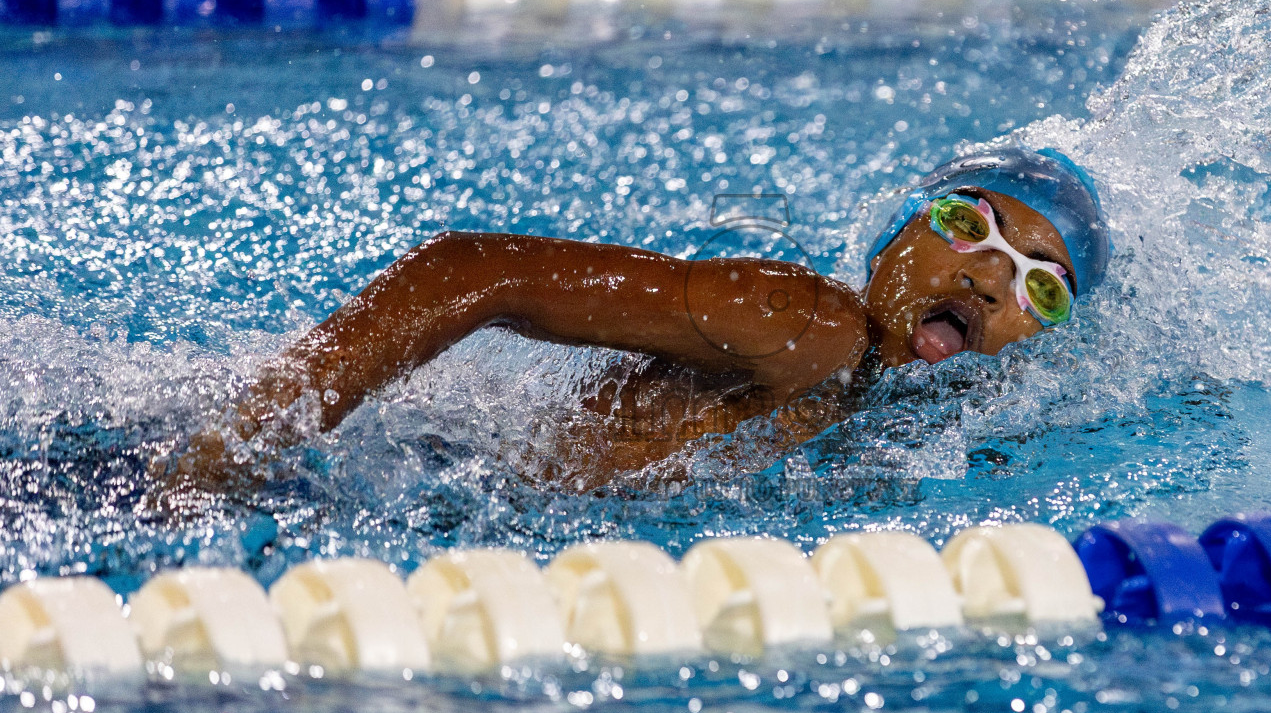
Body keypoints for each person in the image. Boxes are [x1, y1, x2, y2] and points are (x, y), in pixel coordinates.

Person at [160, 144, 1111, 497]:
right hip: (374, 497)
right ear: (898, 232)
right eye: (970, 225)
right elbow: (471, 269)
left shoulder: (918, 418)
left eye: (1042, 285)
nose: (990, 281)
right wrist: (227, 455)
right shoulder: (807, 325)